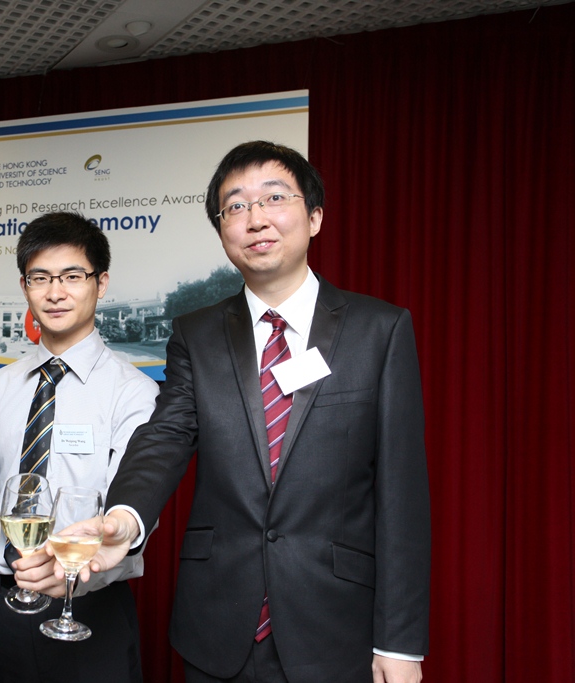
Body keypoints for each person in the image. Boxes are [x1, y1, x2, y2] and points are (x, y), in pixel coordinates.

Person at [86, 141, 431, 683]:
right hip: (218, 624)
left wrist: (401, 643)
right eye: (236, 207)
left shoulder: (379, 331)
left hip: (336, 626)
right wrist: (126, 517)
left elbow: (403, 495)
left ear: (314, 216)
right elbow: (167, 435)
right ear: (221, 230)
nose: (256, 219)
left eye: (274, 198)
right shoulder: (195, 334)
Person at [0, 212, 159, 683]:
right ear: (25, 285)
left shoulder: (134, 391)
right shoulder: (1, 386)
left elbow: (135, 507)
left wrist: (80, 575)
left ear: (101, 282)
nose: (55, 293)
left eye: (73, 276)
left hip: (90, 606)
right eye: (40, 278)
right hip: (5, 604)